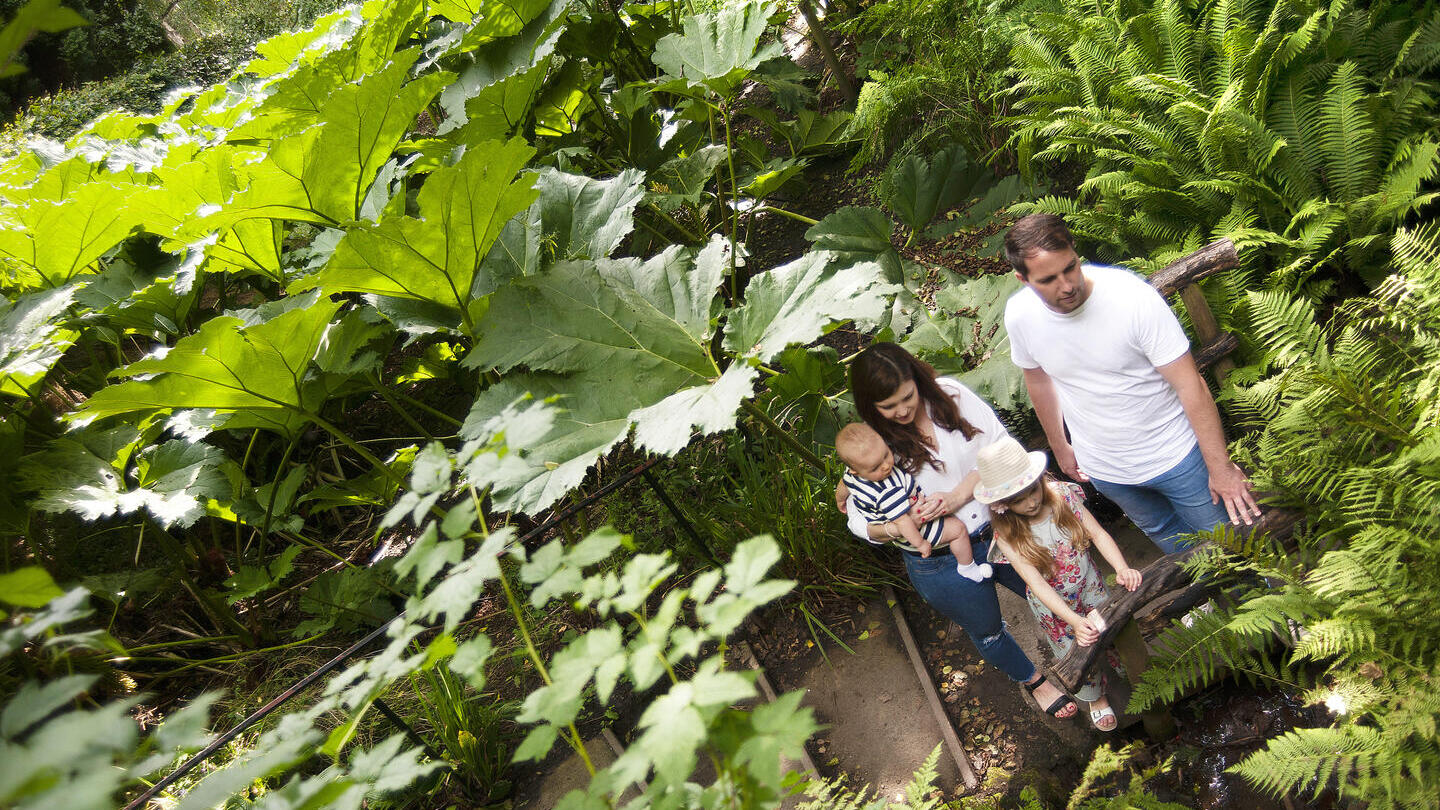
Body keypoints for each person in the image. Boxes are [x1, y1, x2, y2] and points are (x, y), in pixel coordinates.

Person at [835, 342, 1077, 718]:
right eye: (888, 407)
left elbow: (1000, 447)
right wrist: (892, 530)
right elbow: (855, 518)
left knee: (1060, 594)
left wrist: (956, 496)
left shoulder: (952, 397)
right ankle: (1035, 681)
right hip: (940, 562)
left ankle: (1089, 660)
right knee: (988, 631)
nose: (901, 411)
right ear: (871, 407)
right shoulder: (871, 446)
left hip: (1002, 531)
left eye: (907, 398)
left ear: (917, 379)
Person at [1002, 214, 1261, 553]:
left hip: (1178, 456)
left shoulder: (1132, 299)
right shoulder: (1020, 315)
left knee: (1239, 546)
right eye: (1048, 279)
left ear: (1075, 252)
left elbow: (1190, 384)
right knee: (1181, 554)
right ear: (1022, 278)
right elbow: (1036, 377)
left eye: (1070, 267)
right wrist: (1060, 444)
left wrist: (1220, 467)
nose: (1066, 285)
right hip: (1106, 469)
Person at [974, 437, 1143, 731]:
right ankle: (1095, 697)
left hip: (1089, 583)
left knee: (1111, 625)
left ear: (1040, 480)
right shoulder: (1008, 536)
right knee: (1075, 648)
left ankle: (1126, 663)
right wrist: (1073, 620)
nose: (1031, 502)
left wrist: (1121, 567)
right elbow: (1037, 585)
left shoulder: (1062, 497)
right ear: (1002, 504)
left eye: (1033, 490)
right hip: (1054, 606)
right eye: (1018, 499)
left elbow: (1099, 534)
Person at [834, 422, 993, 581]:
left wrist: (840, 499)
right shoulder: (888, 490)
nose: (886, 466)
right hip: (915, 530)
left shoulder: (852, 474)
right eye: (875, 467)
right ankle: (967, 567)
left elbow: (844, 485)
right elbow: (904, 522)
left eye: (886, 455)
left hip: (904, 524)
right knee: (958, 530)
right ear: (856, 470)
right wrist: (920, 543)